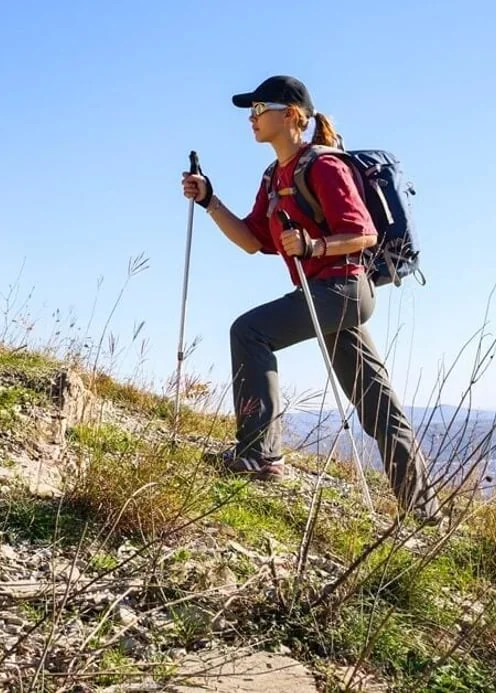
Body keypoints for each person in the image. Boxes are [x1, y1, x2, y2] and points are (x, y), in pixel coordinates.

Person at [181, 74, 440, 521]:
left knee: (250, 331)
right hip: (324, 293)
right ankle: (425, 510)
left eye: (260, 109)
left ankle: (261, 456)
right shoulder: (273, 176)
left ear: (292, 115)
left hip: (343, 290)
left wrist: (315, 246)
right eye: (251, 112)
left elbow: (363, 233)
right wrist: (209, 200)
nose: (252, 118)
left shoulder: (323, 166)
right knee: (377, 401)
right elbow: (250, 240)